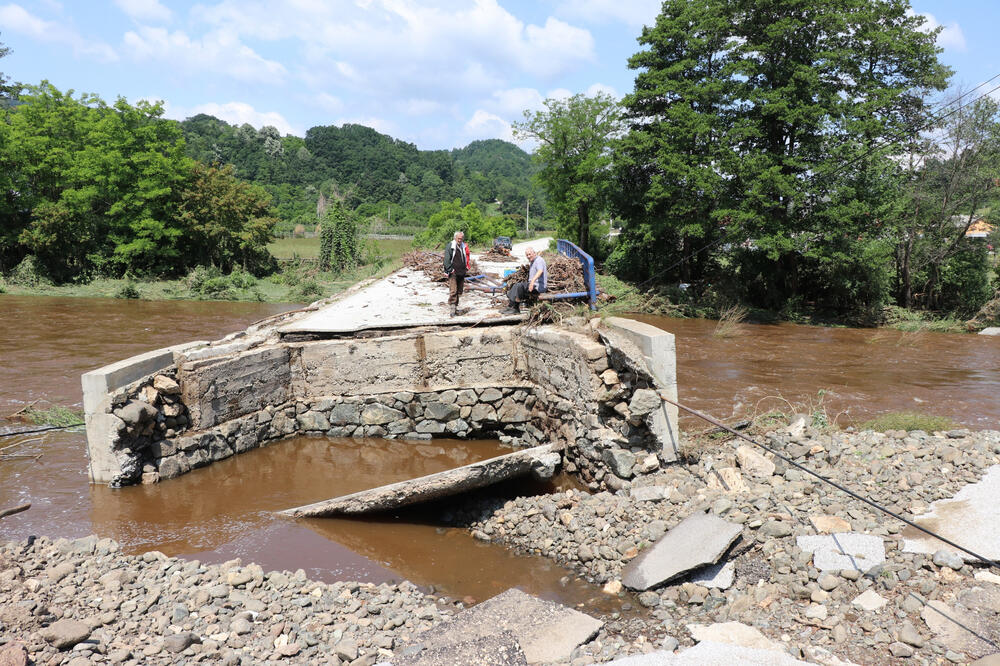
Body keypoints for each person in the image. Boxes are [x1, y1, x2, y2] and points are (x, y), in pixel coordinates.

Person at [502, 247, 547, 314]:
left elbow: (540, 271)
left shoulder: (539, 260)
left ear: (534, 253)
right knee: (516, 285)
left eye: (530, 254)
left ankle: (516, 308)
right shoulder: (533, 261)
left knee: (519, 286)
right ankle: (510, 306)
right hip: (533, 286)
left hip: (538, 287)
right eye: (527, 255)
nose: (528, 256)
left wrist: (532, 282)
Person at [443, 230, 470, 316]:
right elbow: (446, 259)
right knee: (453, 290)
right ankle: (452, 308)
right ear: (455, 238)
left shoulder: (463, 246)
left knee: (459, 291)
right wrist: (450, 270)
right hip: (453, 272)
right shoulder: (451, 246)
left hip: (461, 272)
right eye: (458, 238)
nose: (460, 240)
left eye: (461, 238)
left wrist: (466, 267)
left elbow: (466, 256)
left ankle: (455, 307)